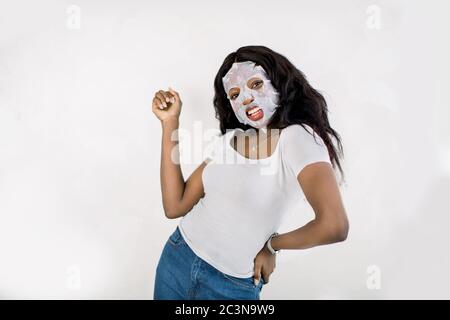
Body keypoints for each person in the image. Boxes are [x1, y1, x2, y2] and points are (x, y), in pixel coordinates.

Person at [151, 45, 349, 300]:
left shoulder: (298, 138)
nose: (245, 97)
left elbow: (335, 225)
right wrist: (170, 123)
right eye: (234, 94)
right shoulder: (231, 139)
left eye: (255, 84)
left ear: (279, 82)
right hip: (177, 259)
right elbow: (174, 205)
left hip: (230, 287)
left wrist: (272, 245)